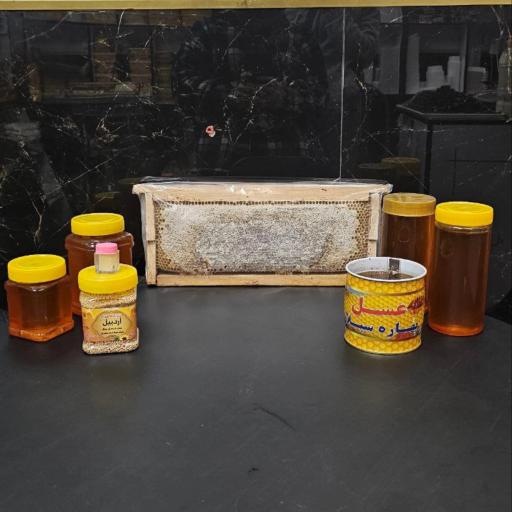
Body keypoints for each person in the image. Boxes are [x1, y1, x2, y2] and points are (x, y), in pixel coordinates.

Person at [173, 9, 328, 173]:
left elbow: (321, 96)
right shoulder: (208, 33)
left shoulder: (298, 36)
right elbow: (182, 85)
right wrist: (228, 95)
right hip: (219, 159)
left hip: (288, 159)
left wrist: (285, 96)